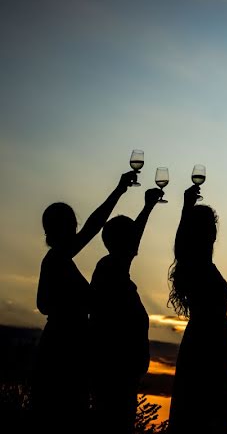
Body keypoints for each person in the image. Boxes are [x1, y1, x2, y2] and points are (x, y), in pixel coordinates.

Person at [33, 171, 135, 429]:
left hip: (69, 348)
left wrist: (120, 190)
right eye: (71, 224)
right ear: (63, 228)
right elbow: (43, 304)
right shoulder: (56, 259)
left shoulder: (60, 259)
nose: (76, 228)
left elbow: (93, 226)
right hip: (62, 350)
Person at [90, 187, 163, 433]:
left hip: (122, 376)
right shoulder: (110, 272)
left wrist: (148, 207)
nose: (136, 246)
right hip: (115, 376)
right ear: (122, 243)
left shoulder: (113, 268)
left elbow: (133, 239)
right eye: (131, 240)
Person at [167, 185, 227, 434]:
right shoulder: (195, 264)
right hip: (205, 342)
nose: (214, 233)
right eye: (209, 227)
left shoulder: (207, 266)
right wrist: (186, 207)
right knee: (202, 411)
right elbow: (180, 247)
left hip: (218, 339)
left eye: (213, 227)